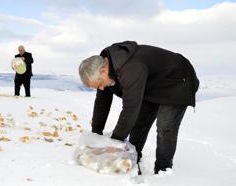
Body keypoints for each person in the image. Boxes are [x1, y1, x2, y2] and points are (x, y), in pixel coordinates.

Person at [78, 41, 199, 174]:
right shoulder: (105, 68)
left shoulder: (131, 68)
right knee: (139, 124)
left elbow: (130, 109)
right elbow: (102, 102)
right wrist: (96, 132)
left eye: (100, 84)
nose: (101, 88)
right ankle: (133, 161)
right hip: (151, 85)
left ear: (103, 71)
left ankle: (163, 170)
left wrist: (115, 142)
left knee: (165, 127)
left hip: (177, 80)